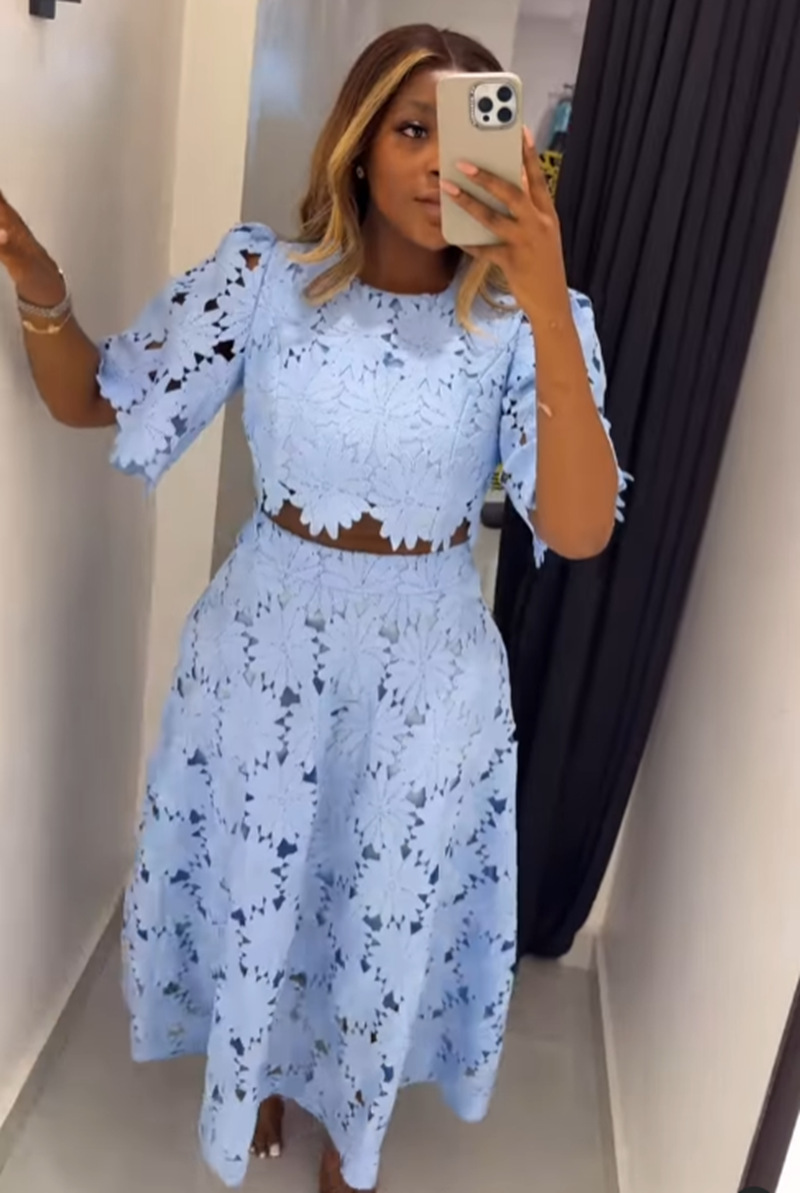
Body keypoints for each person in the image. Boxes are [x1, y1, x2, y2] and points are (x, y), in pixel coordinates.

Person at [0, 23, 624, 1193]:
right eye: (410, 128)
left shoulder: (522, 326)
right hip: (265, 651)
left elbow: (581, 528)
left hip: (426, 671)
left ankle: (355, 1123)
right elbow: (100, 394)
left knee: (380, 903)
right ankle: (263, 1073)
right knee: (267, 879)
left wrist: (544, 307)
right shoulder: (264, 283)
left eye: (462, 132)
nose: (437, 160)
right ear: (356, 145)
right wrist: (42, 287)